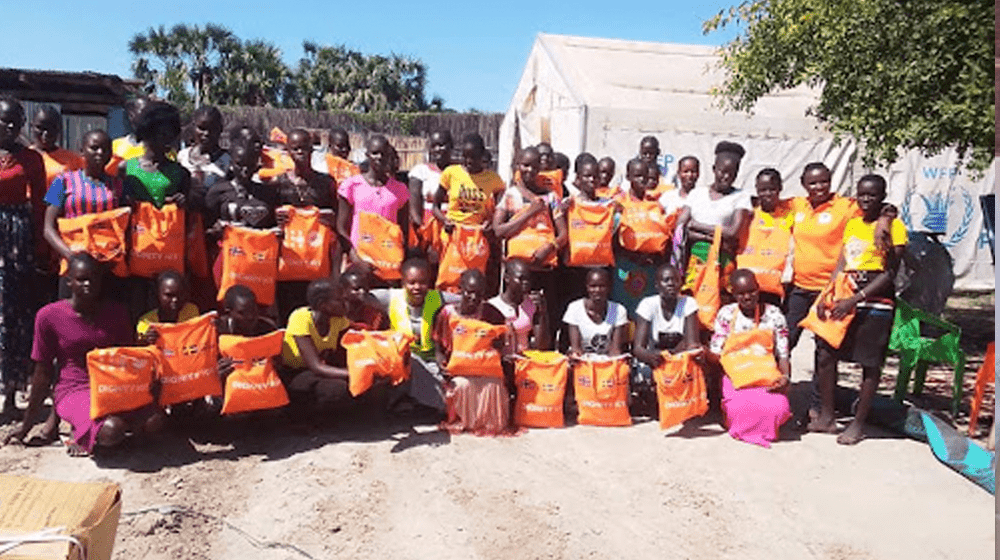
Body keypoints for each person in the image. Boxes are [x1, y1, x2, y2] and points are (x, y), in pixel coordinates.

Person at [6, 253, 165, 456]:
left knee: (155, 423)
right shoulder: (49, 317)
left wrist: (143, 348)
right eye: (81, 279)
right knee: (112, 430)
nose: (88, 284)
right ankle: (90, 429)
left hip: (114, 385)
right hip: (75, 389)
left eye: (93, 278)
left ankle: (90, 430)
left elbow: (127, 356)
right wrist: (26, 426)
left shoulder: (116, 312)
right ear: (69, 282)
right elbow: (42, 372)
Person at [809, 174, 906, 445]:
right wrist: (824, 298)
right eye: (862, 194)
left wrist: (857, 299)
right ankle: (827, 416)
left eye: (872, 195)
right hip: (844, 295)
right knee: (826, 353)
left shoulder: (893, 227)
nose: (866, 199)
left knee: (869, 363)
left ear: (882, 195)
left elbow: (890, 273)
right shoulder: (852, 224)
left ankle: (858, 423)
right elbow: (842, 264)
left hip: (876, 301)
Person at [708, 269, 791, 448]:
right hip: (737, 376)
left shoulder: (774, 314)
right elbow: (716, 355)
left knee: (779, 408)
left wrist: (785, 377)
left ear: (758, 289)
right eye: (741, 293)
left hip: (765, 374)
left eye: (751, 291)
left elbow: (783, 354)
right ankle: (729, 414)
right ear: (733, 294)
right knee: (739, 408)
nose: (747, 297)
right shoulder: (727, 314)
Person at [0, 96, 46, 417]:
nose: (11, 127)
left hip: (18, 241)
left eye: (17, 122)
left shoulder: (34, 159)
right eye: (5, 121)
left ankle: (11, 396)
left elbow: (45, 200)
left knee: (15, 318)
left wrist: (44, 246)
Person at [43, 130, 126, 299]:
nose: (100, 153)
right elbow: (48, 228)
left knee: (105, 319)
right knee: (71, 318)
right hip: (74, 266)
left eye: (105, 149)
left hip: (107, 266)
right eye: (94, 148)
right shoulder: (63, 181)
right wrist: (71, 258)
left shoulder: (118, 185)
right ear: (82, 151)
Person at [492, 146, 566, 336]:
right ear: (517, 166)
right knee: (516, 320)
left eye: (534, 166)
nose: (529, 170)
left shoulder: (551, 197)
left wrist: (549, 248)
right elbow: (498, 231)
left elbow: (564, 235)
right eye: (525, 165)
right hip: (518, 272)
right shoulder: (510, 196)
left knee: (544, 320)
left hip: (544, 269)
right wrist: (530, 212)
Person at [370, 258, 451, 412]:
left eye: (422, 283)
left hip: (429, 359)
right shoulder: (391, 297)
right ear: (403, 283)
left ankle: (415, 403)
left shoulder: (437, 298)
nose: (417, 287)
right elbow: (359, 294)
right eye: (411, 283)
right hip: (400, 360)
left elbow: (466, 301)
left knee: (441, 385)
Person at [434, 269, 510, 434]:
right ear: (460, 289)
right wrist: (441, 362)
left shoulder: (491, 313)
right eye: (469, 292)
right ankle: (462, 421)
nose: (474, 298)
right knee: (461, 385)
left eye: (479, 294)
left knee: (494, 384)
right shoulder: (447, 314)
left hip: (483, 367)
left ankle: (487, 424)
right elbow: (438, 346)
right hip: (457, 370)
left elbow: (500, 344)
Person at [273, 128, 337, 321]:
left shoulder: (325, 183)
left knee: (317, 314)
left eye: (305, 148)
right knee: (288, 314)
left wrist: (331, 219)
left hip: (316, 262)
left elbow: (339, 217)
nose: (301, 152)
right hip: (288, 262)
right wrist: (276, 219)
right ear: (288, 152)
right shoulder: (279, 183)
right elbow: (269, 220)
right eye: (296, 148)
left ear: (312, 150)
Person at [679, 141, 752, 293]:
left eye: (732, 174)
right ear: (714, 169)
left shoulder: (741, 197)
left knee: (718, 304)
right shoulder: (697, 194)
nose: (726, 177)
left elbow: (733, 233)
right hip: (695, 261)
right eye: (722, 171)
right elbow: (681, 226)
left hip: (722, 263)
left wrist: (697, 226)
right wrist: (718, 239)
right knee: (693, 301)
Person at [631, 264, 701, 414]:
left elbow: (692, 343)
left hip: (679, 359)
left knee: (697, 358)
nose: (671, 283)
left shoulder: (688, 303)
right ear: (657, 285)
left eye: (675, 280)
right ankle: (652, 401)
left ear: (680, 284)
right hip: (655, 358)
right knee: (643, 371)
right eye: (666, 280)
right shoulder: (647, 305)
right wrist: (651, 357)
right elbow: (638, 348)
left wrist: (670, 357)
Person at [280, 278, 353, 418]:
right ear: (323, 305)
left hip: (319, 372)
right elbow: (316, 366)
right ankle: (301, 418)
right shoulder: (300, 318)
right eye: (340, 300)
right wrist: (354, 374)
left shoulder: (339, 320)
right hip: (295, 373)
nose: (346, 303)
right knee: (337, 389)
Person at [337, 135, 410, 275]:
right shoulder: (352, 186)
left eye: (384, 153)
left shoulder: (400, 190)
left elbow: (403, 230)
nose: (379, 157)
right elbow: (341, 227)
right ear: (367, 155)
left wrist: (399, 258)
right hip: (359, 260)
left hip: (388, 261)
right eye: (375, 153)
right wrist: (355, 257)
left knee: (387, 296)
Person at [611, 158, 666, 316]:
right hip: (625, 266)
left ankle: (641, 341)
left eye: (645, 176)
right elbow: (611, 240)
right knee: (622, 307)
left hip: (649, 267)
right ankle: (621, 340)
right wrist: (633, 256)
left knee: (645, 309)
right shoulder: (618, 203)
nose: (643, 180)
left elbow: (662, 236)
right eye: (637, 175)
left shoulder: (655, 205)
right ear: (628, 177)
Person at [736, 168, 794, 307]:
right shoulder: (747, 214)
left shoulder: (790, 215)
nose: (767, 194)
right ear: (756, 190)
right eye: (762, 190)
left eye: (772, 189)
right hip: (745, 287)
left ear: (780, 188)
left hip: (773, 288)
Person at [432, 132, 504, 231]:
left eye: (473, 157)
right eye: (465, 156)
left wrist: (491, 221)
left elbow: (500, 207)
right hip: (454, 234)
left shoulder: (493, 179)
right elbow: (435, 206)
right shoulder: (451, 173)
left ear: (482, 155)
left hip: (478, 233)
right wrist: (444, 220)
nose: (468, 161)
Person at [483, 258, 552, 357]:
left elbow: (542, 346)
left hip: (524, 363)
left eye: (528, 279)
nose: (525, 282)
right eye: (521, 278)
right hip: (499, 361)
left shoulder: (532, 304)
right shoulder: (492, 306)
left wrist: (542, 313)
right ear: (507, 278)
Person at [563, 267, 629, 357]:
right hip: (582, 360)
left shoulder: (616, 310)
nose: (597, 290)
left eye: (602, 286)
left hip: (607, 361)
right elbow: (576, 348)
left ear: (609, 287)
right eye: (593, 286)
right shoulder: (576, 308)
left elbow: (615, 349)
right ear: (587, 287)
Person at [408, 130, 453, 258]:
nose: (438, 149)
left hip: (452, 227)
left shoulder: (459, 172)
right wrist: (423, 233)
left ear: (451, 146)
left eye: (442, 145)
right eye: (434, 146)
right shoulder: (420, 171)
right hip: (428, 227)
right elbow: (414, 207)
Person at [177, 105, 229, 202]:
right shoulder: (182, 156)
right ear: (193, 128)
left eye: (212, 129)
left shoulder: (228, 161)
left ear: (220, 129)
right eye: (202, 128)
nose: (206, 133)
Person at [136, 269, 200, 344]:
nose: (175, 300)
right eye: (169, 295)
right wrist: (146, 340)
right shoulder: (146, 321)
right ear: (158, 294)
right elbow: (140, 342)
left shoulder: (191, 311)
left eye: (179, 294)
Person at [30, 105, 84, 190]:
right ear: (32, 126)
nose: (46, 133)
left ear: (59, 129)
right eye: (40, 127)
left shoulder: (74, 160)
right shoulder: (23, 157)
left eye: (51, 128)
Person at [339, 265, 389, 330]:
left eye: (365, 288)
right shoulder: (336, 312)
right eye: (356, 289)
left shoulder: (375, 309)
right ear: (343, 291)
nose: (362, 291)